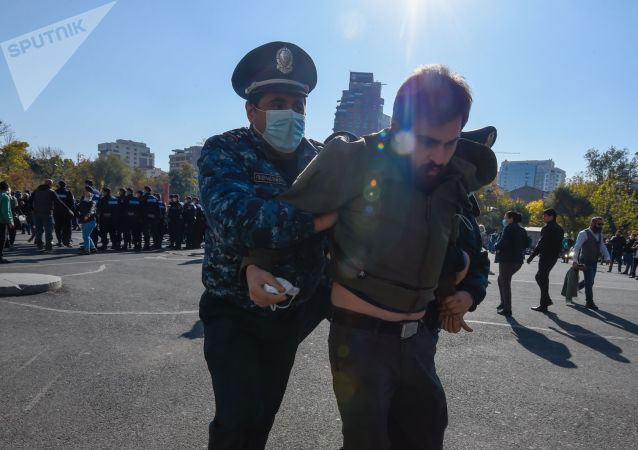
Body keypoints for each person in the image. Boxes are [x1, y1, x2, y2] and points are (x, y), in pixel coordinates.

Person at [255, 65, 496, 449]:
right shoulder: (355, 159)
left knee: (426, 435)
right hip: (361, 343)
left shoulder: (453, 180)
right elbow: (283, 222)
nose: (440, 155)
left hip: (419, 343)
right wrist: (252, 264)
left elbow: (473, 256)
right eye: (427, 141)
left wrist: (468, 293)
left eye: (450, 143)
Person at [198, 41, 335, 449]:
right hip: (235, 311)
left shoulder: (320, 158)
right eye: (278, 102)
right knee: (237, 422)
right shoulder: (225, 150)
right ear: (251, 109)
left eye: (299, 104)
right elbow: (239, 219)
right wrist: (322, 218)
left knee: (261, 418)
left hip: (292, 311)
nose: (290, 113)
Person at [527, 208, 564, 312]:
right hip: (553, 257)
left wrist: (532, 256)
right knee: (543, 277)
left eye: (545, 215)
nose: (543, 217)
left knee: (540, 277)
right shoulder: (560, 229)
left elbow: (541, 243)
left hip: (546, 256)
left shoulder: (547, 228)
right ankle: (545, 301)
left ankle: (545, 303)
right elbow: (559, 245)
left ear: (551, 216)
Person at [572, 217, 611, 310]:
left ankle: (573, 289)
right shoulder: (584, 233)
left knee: (590, 281)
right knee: (589, 283)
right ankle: (589, 302)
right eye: (599, 224)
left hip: (594, 261)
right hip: (585, 261)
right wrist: (574, 260)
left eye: (602, 224)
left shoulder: (600, 234)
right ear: (593, 224)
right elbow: (577, 247)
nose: (601, 226)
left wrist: (607, 257)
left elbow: (602, 246)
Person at [495, 211, 529, 316]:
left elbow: (502, 242)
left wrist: (496, 245)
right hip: (517, 260)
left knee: (505, 282)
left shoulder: (509, 228)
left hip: (507, 260)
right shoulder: (522, 230)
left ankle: (507, 309)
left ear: (511, 219)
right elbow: (527, 243)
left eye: (505, 217)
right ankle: (503, 303)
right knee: (501, 280)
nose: (504, 219)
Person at [29, 179, 73, 251]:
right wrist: (68, 209)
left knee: (38, 230)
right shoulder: (51, 192)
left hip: (37, 213)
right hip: (47, 213)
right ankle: (48, 246)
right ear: (50, 185)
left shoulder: (36, 191)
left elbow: (30, 201)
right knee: (48, 231)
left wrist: (32, 209)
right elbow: (59, 202)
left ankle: (39, 245)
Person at [53, 180, 76, 247]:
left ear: (59, 185)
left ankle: (59, 241)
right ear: (65, 186)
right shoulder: (68, 192)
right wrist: (73, 212)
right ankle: (67, 241)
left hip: (57, 212)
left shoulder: (55, 192)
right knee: (67, 227)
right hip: (66, 213)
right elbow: (72, 203)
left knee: (58, 227)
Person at [77, 186, 98, 254]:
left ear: (89, 193)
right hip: (84, 221)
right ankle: (93, 248)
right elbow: (78, 208)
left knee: (86, 236)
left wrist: (87, 215)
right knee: (86, 235)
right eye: (84, 191)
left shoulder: (92, 202)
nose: (84, 192)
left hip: (90, 221)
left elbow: (92, 210)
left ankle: (87, 250)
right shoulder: (83, 201)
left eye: (85, 191)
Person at [141, 186, 161, 250]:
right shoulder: (155, 198)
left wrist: (146, 215)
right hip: (154, 217)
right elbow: (158, 209)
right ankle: (156, 244)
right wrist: (156, 217)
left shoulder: (144, 197)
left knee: (146, 232)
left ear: (146, 190)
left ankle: (147, 245)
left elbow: (142, 208)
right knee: (154, 232)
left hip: (146, 218)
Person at [0, 181, 15, 263]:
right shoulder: (5, 197)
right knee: (2, 239)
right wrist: (10, 221)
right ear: (7, 188)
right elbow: (6, 211)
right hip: (1, 221)